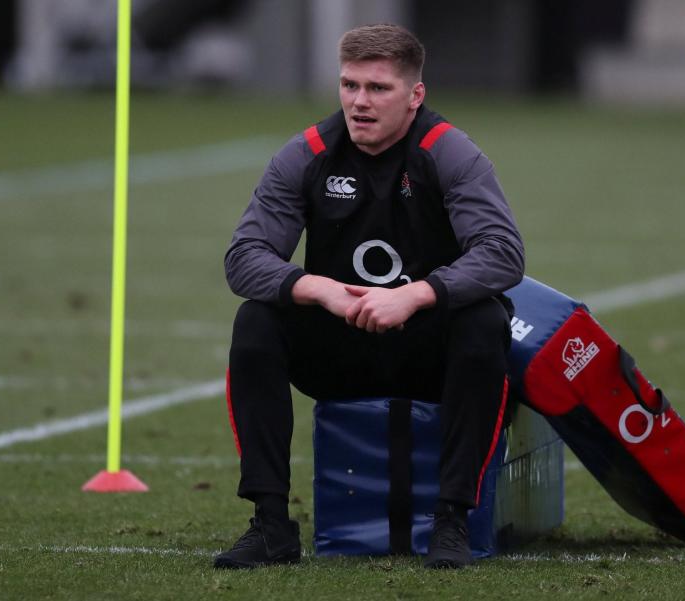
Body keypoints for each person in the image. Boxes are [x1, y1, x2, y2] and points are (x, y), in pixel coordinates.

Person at [215, 23, 524, 570]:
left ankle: (452, 520)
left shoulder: (449, 151)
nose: (360, 102)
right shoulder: (308, 152)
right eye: (349, 85)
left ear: (415, 95)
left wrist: (417, 296)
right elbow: (244, 257)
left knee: (484, 321)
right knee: (256, 322)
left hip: (428, 350)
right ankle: (270, 526)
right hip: (343, 346)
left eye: (378, 88)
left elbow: (503, 252)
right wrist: (320, 290)